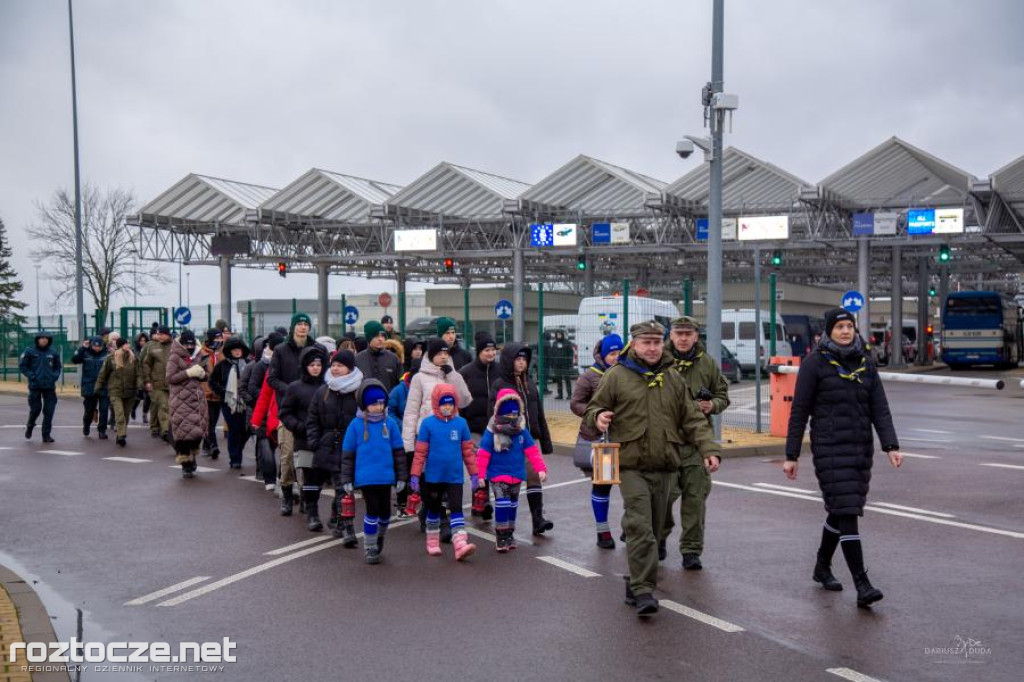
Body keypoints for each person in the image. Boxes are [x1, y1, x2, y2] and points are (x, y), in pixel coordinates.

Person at [584, 320, 720, 618]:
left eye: (657, 342)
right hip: (631, 466)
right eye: (646, 342)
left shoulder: (672, 378)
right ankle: (644, 589)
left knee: (657, 529)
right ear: (635, 344)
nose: (652, 348)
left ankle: (633, 583)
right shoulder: (617, 376)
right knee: (640, 527)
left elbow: (693, 420)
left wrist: (709, 448)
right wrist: (599, 417)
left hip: (666, 464)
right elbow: (592, 408)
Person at [785, 307, 902, 608]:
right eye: (839, 328)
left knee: (840, 510)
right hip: (829, 448)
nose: (846, 331)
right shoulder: (815, 363)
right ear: (828, 331)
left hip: (860, 449)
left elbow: (880, 407)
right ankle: (862, 584)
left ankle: (822, 566)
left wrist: (890, 446)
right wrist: (792, 454)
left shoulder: (866, 363)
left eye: (849, 326)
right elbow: (799, 411)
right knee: (848, 513)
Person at [659, 316, 729, 569]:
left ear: (696, 336)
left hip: (696, 444)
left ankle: (691, 551)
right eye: (679, 334)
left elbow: (723, 395)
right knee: (664, 497)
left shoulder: (707, 364)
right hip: (666, 442)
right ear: (672, 336)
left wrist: (712, 405)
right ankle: (659, 539)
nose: (684, 338)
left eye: (689, 334)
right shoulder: (659, 361)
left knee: (695, 499)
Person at [490, 341, 554, 535]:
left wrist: (545, 440)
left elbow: (539, 413)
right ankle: (505, 521)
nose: (521, 362)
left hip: (528, 438)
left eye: (524, 359)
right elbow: (491, 414)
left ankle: (538, 519)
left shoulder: (529, 382)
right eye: (517, 358)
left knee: (534, 476)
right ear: (509, 360)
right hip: (507, 439)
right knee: (509, 482)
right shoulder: (499, 384)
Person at [340, 379, 407, 563]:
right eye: (373, 403)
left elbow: (399, 453)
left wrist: (402, 477)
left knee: (386, 512)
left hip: (386, 477)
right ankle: (370, 547)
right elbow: (348, 455)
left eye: (381, 402)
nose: (378, 407)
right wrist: (346, 478)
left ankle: (380, 537)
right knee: (373, 510)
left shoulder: (390, 423)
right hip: (366, 477)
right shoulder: (355, 425)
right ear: (364, 404)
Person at [410, 383, 478, 560]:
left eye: (450, 403)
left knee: (456, 508)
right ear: (436, 404)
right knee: (434, 510)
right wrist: (415, 475)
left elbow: (468, 452)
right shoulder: (427, 424)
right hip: (433, 477)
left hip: (454, 477)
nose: (447, 406)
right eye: (443, 403)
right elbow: (420, 453)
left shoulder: (461, 424)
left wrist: (474, 474)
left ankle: (460, 544)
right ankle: (432, 542)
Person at [570, 333, 624, 549]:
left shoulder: (627, 373)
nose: (616, 356)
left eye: (620, 352)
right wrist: (597, 413)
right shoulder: (589, 376)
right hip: (603, 439)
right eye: (612, 353)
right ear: (603, 355)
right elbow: (575, 404)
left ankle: (631, 528)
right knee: (603, 486)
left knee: (633, 485)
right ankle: (603, 532)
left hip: (628, 439)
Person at [476, 389, 547, 552]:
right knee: (503, 504)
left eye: (514, 414)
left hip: (516, 475)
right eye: (508, 415)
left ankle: (509, 533)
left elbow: (532, 451)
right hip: (498, 475)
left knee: (513, 506)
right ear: (500, 412)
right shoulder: (491, 430)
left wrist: (540, 469)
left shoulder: (521, 431)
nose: (512, 418)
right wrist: (480, 474)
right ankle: (501, 536)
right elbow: (483, 453)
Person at [306, 350, 362, 542]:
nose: (336, 369)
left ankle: (347, 527)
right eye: (334, 365)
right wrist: (314, 441)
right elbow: (312, 419)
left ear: (350, 368)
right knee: (316, 484)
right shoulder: (323, 391)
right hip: (325, 444)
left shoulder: (358, 391)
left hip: (348, 446)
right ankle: (321, 515)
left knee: (344, 488)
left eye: (340, 365)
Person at [268, 312, 316, 512]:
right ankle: (287, 494)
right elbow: (272, 378)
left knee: (307, 457)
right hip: (287, 412)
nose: (303, 327)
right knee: (287, 455)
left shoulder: (316, 349)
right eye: (300, 324)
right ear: (293, 327)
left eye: (306, 324)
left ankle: (307, 495)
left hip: (311, 412)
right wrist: (291, 390)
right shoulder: (281, 350)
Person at [279, 346, 328, 529]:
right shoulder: (295, 387)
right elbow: (285, 413)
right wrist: (299, 427)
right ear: (305, 366)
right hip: (304, 439)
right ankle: (312, 513)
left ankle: (311, 504)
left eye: (319, 364)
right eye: (312, 365)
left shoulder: (328, 386)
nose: (316, 368)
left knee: (321, 475)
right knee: (309, 476)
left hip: (324, 440)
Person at [459, 331, 499, 519]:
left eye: (493, 350)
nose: (491, 353)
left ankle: (490, 501)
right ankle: (480, 503)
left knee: (494, 465)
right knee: (478, 466)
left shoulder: (501, 371)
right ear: (479, 351)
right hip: (474, 428)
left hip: (497, 428)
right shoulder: (466, 372)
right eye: (487, 350)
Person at [387, 336, 424, 516]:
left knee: (421, 470)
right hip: (403, 437)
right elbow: (391, 412)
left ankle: (418, 500)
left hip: (422, 436)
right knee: (403, 469)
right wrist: (405, 425)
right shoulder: (399, 390)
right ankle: (402, 504)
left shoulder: (427, 388)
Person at [167, 330, 209, 478]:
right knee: (184, 433)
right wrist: (188, 373)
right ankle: (186, 463)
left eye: (191, 343)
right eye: (186, 343)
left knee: (197, 432)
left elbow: (206, 375)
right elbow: (170, 378)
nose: (189, 346)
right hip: (180, 399)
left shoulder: (199, 355)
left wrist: (203, 374)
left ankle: (193, 456)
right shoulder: (174, 356)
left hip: (197, 400)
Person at [209, 337, 251, 469]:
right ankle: (235, 459)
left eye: (239, 349)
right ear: (229, 351)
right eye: (234, 349)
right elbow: (212, 381)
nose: (237, 352)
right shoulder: (222, 365)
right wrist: (223, 393)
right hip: (229, 403)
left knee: (246, 430)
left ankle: (238, 449)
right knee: (234, 430)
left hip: (246, 401)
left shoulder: (249, 364)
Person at [95, 338, 141, 447]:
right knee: (119, 415)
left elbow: (139, 373)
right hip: (115, 391)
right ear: (120, 346)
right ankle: (121, 436)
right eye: (126, 343)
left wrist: (140, 385)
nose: (128, 345)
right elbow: (103, 374)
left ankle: (121, 433)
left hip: (130, 392)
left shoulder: (133, 358)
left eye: (128, 343)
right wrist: (98, 387)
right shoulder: (111, 359)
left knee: (125, 415)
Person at [19, 331, 61, 443]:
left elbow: (58, 367)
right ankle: (30, 425)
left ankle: (46, 435)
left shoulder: (53, 352)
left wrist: (54, 376)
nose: (44, 340)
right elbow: (23, 366)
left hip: (49, 386)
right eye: (41, 338)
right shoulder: (30, 351)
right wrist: (32, 376)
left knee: (49, 411)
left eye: (46, 338)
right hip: (35, 386)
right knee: (36, 409)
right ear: (37, 339)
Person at [71, 336, 110, 439]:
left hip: (104, 386)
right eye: (95, 346)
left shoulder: (107, 354)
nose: (97, 348)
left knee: (104, 409)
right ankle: (86, 424)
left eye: (99, 346)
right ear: (91, 345)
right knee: (89, 410)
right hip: (89, 386)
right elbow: (75, 360)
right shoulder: (85, 353)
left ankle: (102, 430)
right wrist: (82, 348)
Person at [142, 326, 173, 442]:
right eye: (157, 334)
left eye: (161, 334)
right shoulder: (153, 347)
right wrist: (147, 381)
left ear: (167, 334)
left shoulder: (175, 347)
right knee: (164, 406)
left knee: (171, 408)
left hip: (172, 383)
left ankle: (168, 429)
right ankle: (165, 431)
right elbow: (146, 364)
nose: (158, 336)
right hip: (157, 384)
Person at [198, 329, 223, 459]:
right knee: (210, 421)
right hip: (205, 392)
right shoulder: (202, 353)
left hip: (219, 393)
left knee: (213, 420)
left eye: (221, 338)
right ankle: (213, 446)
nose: (220, 340)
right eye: (218, 338)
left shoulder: (223, 353)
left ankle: (206, 445)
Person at [355, 320, 401, 393]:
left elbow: (399, 385)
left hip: (388, 402)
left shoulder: (393, 358)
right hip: (365, 403)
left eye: (383, 336)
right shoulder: (358, 359)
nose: (381, 339)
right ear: (369, 338)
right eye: (376, 336)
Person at [550, 330, 576, 400]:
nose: (559, 336)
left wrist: (570, 364)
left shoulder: (567, 343)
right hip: (557, 364)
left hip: (565, 364)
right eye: (557, 334)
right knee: (558, 380)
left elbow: (571, 354)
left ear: (562, 335)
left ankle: (569, 394)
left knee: (567, 379)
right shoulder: (554, 343)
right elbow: (552, 353)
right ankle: (560, 394)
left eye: (560, 334)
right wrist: (552, 363)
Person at [131, 332, 150, 424]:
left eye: (144, 340)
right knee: (138, 395)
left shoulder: (149, 350)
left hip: (147, 375)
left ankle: (144, 414)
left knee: (148, 397)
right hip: (137, 376)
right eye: (141, 340)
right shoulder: (133, 351)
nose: (143, 342)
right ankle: (133, 409)